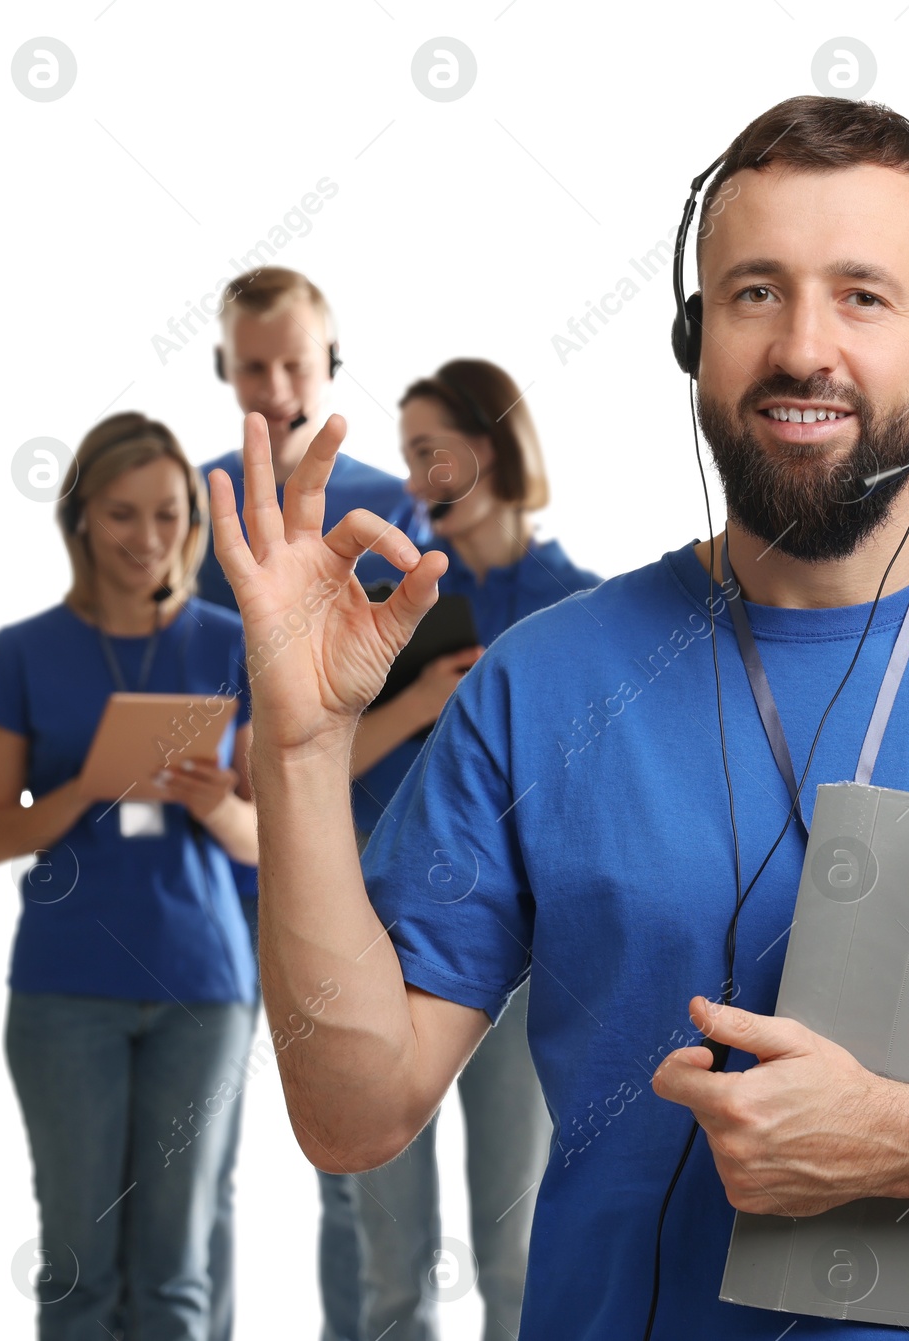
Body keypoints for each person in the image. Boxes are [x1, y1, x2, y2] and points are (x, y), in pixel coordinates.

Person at [211, 94, 909, 1341]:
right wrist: (306, 747)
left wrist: (907, 1141)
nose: (805, 346)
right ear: (695, 337)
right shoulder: (540, 684)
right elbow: (352, 1112)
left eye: (863, 295)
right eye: (755, 293)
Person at [0, 413, 259, 1341]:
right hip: (66, 992)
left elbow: (265, 840)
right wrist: (86, 784)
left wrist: (214, 803)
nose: (147, 538)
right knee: (80, 1275)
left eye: (168, 514)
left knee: (176, 1273)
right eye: (122, 514)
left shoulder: (228, 644)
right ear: (82, 517)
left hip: (201, 991)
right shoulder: (23, 651)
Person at [195, 266, 429, 1341]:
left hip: (368, 847)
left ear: (331, 365)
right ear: (225, 372)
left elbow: (429, 696)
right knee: (207, 1131)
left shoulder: (390, 507)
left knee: (357, 1139)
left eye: (297, 362)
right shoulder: (198, 510)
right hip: (223, 847)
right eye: (256, 366)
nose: (279, 385)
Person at [348, 360, 600, 1341]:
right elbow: (314, 769)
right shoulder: (384, 599)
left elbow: (595, 797)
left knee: (513, 1247)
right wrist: (420, 701)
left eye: (427, 452)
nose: (411, 481)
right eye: (405, 456)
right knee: (388, 1257)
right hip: (376, 943)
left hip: (527, 947)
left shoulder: (579, 608)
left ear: (486, 450)